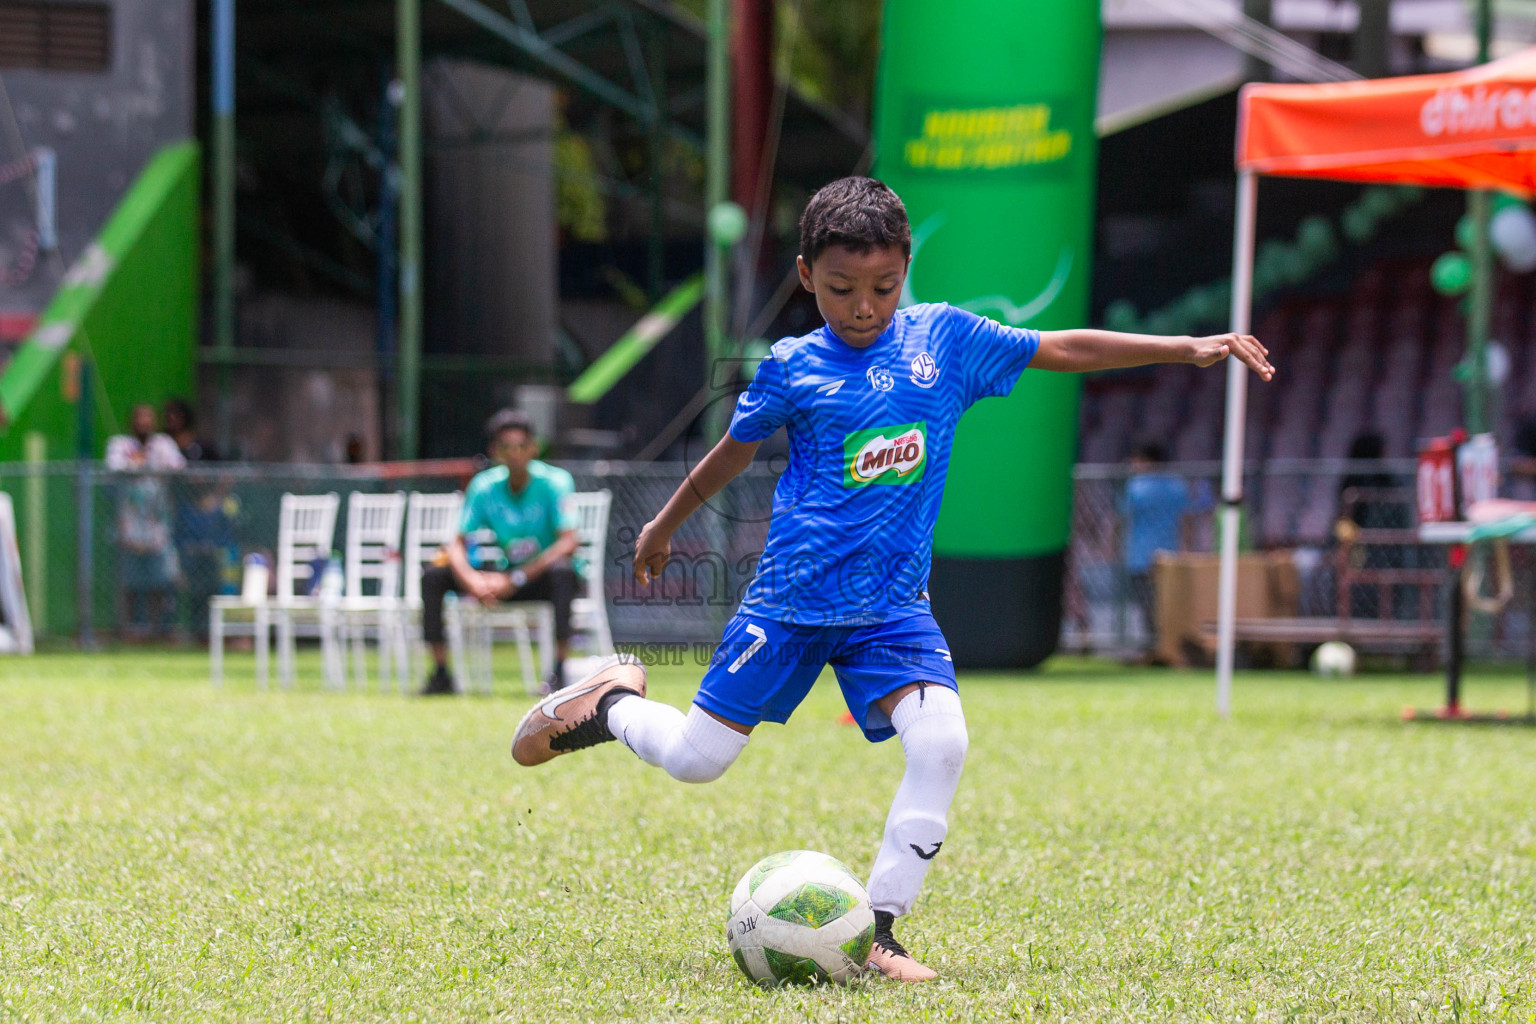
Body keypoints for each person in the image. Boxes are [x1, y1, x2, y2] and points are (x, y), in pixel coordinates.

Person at [509, 176, 1274, 981]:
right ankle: (611, 702)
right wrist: (664, 525)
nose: (864, 306)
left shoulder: (943, 340)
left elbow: (1059, 347)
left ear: (907, 268)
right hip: (791, 603)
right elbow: (731, 452)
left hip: (891, 611)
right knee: (699, 760)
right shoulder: (791, 367)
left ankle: (877, 932)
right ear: (807, 276)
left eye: (883, 286)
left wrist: (1185, 347)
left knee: (943, 741)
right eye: (841, 289)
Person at [419, 410, 579, 695]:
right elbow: (455, 543)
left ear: (533, 448)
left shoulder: (556, 482)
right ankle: (441, 673)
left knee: (563, 572)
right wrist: (472, 581)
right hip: (505, 576)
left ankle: (558, 672)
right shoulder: (484, 486)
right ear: (495, 451)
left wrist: (516, 578)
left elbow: (569, 542)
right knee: (433, 575)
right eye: (506, 447)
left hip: (536, 578)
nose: (514, 453)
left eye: (521, 446)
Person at [106, 404, 187, 639]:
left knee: (162, 580)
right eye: (139, 418)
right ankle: (130, 628)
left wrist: (146, 464)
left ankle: (158, 629)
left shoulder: (162, 444)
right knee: (129, 581)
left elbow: (177, 466)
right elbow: (115, 467)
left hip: (157, 525)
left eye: (148, 419)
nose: (144, 423)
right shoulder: (120, 444)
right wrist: (138, 464)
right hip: (129, 525)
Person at [1121, 442, 1192, 658]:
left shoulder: (1136, 486)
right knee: (1167, 603)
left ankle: (1154, 645)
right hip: (1170, 555)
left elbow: (1122, 519)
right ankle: (1166, 643)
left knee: (1147, 605)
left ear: (1145, 460)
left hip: (1140, 555)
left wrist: (1114, 546)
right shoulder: (1178, 485)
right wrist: (1185, 548)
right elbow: (1186, 521)